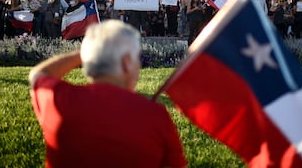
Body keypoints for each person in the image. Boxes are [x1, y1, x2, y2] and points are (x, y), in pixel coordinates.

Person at [29, 20, 187, 167]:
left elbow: (38, 74)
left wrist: (89, 52)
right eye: (137, 58)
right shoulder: (155, 115)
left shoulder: (59, 100)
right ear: (126, 62)